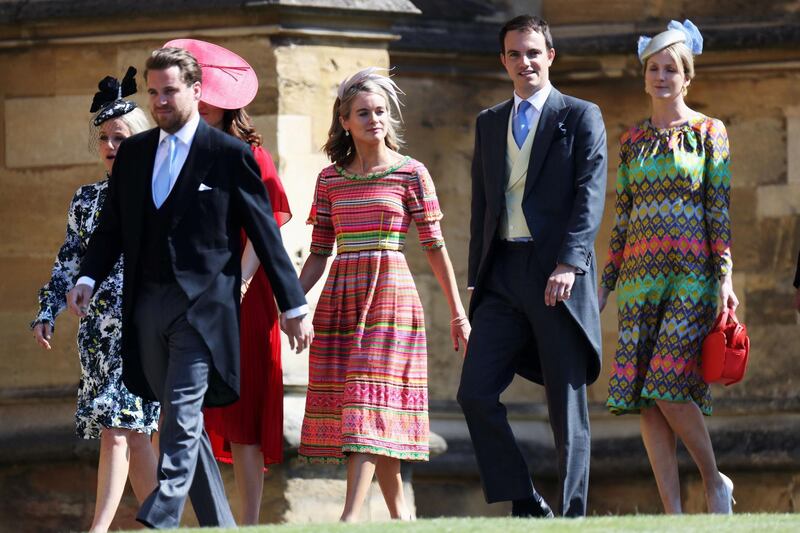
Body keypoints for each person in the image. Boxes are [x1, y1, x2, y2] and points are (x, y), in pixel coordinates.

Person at [66, 47, 313, 529]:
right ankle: (220, 524)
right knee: (186, 421)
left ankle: (160, 511)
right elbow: (112, 226)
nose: (159, 101)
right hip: (146, 311)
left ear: (198, 92)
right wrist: (87, 277)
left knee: (178, 411)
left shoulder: (230, 156)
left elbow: (266, 234)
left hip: (203, 311)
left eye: (170, 91)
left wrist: (293, 305)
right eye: (153, 92)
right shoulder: (135, 154)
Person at [296, 67, 470, 522]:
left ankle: (349, 518)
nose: (375, 119)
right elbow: (318, 253)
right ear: (345, 120)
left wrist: (458, 314)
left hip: (391, 299)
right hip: (340, 300)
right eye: (363, 113)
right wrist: (290, 301)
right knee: (375, 411)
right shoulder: (329, 180)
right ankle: (403, 520)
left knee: (366, 400)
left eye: (380, 111)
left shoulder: (412, 173)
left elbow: (435, 248)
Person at [458, 14, 607, 518]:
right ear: (504, 61)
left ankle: (573, 515)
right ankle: (524, 500)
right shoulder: (489, 121)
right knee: (475, 393)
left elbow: (590, 197)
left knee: (567, 408)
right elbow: (482, 204)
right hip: (501, 275)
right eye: (515, 54)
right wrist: (477, 279)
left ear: (550, 57)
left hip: (555, 276)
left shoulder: (582, 115)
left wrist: (570, 262)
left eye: (533, 53)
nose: (526, 62)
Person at [598, 20, 737, 514]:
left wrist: (725, 277)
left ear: (687, 76)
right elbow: (623, 217)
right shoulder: (632, 140)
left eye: (672, 69)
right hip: (638, 281)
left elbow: (717, 209)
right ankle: (673, 514)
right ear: (644, 76)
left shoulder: (709, 132)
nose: (662, 76)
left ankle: (714, 482)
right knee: (646, 398)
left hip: (691, 279)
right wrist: (604, 286)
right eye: (654, 68)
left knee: (667, 384)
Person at [163, 38, 292, 525]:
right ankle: (204, 518)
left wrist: (239, 279)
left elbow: (269, 222)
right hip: (194, 295)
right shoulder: (177, 152)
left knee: (244, 415)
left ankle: (251, 521)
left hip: (245, 295)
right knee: (186, 409)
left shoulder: (249, 156)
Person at [31, 68, 159, 533]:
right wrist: (48, 310)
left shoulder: (161, 196)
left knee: (117, 430)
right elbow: (68, 259)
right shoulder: (86, 199)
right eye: (104, 138)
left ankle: (97, 530)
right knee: (134, 435)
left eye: (121, 138)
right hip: (97, 335)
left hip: (144, 329)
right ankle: (163, 525)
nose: (110, 146)